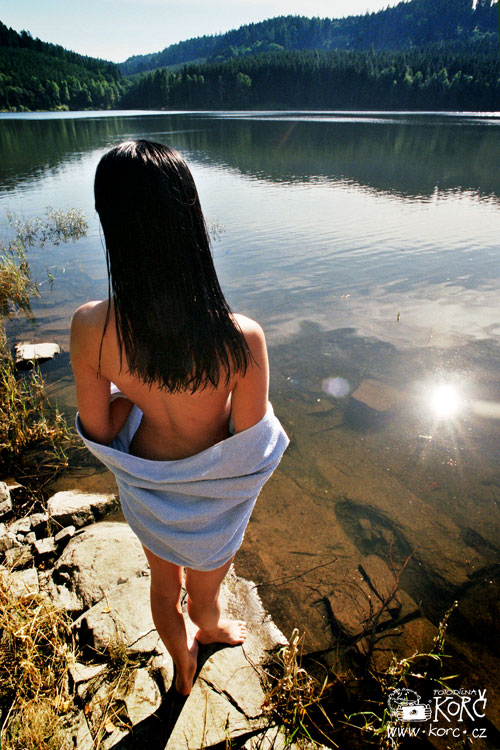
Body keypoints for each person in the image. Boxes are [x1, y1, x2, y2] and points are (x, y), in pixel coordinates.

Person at [70, 140, 288, 696]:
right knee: (207, 589)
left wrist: (134, 398)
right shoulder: (241, 338)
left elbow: (99, 431)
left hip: (149, 489)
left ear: (111, 224)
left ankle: (182, 665)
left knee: (163, 589)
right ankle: (209, 626)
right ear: (190, 220)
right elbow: (249, 446)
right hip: (213, 499)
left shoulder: (91, 327)